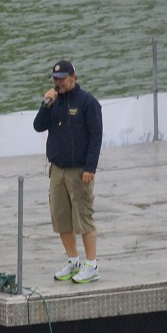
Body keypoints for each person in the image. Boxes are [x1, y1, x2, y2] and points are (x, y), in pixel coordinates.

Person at [32, 60, 103, 283]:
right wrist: (46, 104)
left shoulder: (87, 102)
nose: (58, 82)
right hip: (57, 169)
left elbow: (96, 136)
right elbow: (38, 126)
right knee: (61, 218)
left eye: (62, 78)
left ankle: (91, 265)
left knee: (84, 217)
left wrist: (90, 167)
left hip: (79, 169)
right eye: (55, 79)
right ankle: (73, 260)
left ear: (73, 76)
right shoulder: (54, 102)